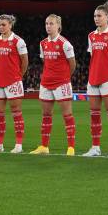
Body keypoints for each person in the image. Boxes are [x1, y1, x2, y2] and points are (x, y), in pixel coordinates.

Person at [30, 14, 77, 156]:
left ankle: (71, 147)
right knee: (46, 115)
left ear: (58, 26)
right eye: (46, 23)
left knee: (67, 115)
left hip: (62, 83)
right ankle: (44, 146)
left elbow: (72, 64)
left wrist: (64, 77)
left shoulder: (65, 44)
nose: (48, 26)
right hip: (46, 83)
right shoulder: (43, 43)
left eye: (51, 24)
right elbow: (45, 62)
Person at [82, 2, 108, 158]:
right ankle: (95, 147)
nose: (96, 18)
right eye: (94, 16)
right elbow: (93, 56)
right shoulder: (91, 36)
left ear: (107, 16)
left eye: (99, 15)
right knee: (94, 114)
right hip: (93, 79)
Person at [0, 14, 28, 154]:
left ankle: (18, 145)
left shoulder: (18, 41)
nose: (1, 27)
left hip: (13, 82)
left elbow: (25, 62)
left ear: (10, 25)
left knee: (16, 113)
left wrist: (18, 76)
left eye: (4, 24)